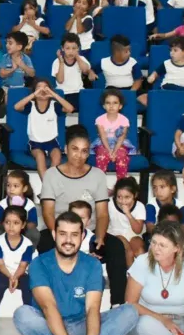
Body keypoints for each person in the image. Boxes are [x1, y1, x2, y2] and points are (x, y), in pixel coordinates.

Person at [13, 211, 139, 335]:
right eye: (63, 234)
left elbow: (92, 307)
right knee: (22, 315)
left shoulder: (92, 264)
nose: (68, 240)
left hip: (82, 325)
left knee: (130, 312)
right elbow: (48, 306)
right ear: (54, 234)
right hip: (49, 326)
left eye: (74, 235)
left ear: (82, 236)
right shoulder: (39, 263)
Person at [38, 125, 129, 305]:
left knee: (117, 246)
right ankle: (52, 301)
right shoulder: (51, 175)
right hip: (60, 230)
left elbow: (102, 214)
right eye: (75, 150)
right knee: (44, 242)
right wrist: (58, 234)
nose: (79, 155)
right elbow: (48, 212)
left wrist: (100, 238)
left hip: (90, 232)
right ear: (65, 149)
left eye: (84, 151)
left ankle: (118, 304)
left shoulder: (97, 175)